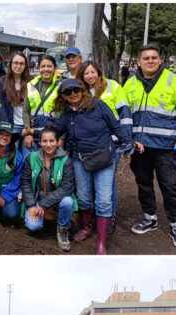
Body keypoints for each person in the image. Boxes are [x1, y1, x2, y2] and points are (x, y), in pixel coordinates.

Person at [122, 44, 176, 249]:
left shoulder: (174, 81)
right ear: (138, 62)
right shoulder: (130, 83)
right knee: (143, 183)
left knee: (169, 185)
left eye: (154, 57)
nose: (150, 61)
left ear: (160, 60)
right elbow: (124, 112)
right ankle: (150, 217)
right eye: (146, 58)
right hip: (140, 146)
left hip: (166, 146)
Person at [53, 77, 131, 254]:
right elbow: (55, 131)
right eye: (68, 92)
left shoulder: (98, 105)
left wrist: (128, 141)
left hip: (104, 159)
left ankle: (101, 241)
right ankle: (87, 228)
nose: (73, 94)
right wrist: (32, 134)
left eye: (75, 90)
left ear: (82, 90)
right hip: (80, 160)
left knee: (103, 200)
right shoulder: (66, 115)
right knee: (83, 198)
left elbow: (115, 125)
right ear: (63, 96)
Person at [77, 61, 132, 235]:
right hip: (90, 145)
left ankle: (110, 216)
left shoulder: (113, 86)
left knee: (107, 183)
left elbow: (125, 113)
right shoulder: (81, 91)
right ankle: (96, 216)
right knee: (92, 182)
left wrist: (126, 140)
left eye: (93, 72)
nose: (90, 76)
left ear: (99, 72)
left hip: (113, 144)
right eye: (86, 73)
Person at [20, 126, 75, 250]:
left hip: (56, 201)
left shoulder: (66, 160)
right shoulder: (32, 158)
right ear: (39, 142)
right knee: (33, 226)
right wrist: (32, 205)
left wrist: (42, 205)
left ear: (57, 142)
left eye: (51, 141)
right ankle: (40, 218)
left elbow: (66, 188)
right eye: (44, 141)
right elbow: (25, 182)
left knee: (68, 202)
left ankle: (62, 229)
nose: (48, 144)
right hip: (36, 200)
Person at [24, 55, 61, 150]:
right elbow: (26, 111)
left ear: (55, 68)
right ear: (38, 67)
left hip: (53, 137)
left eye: (49, 66)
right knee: (30, 162)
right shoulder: (30, 85)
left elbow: (64, 114)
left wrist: (61, 139)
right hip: (33, 135)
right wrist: (28, 134)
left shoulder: (60, 87)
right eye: (43, 66)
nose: (46, 69)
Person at [0, 52, 31, 149]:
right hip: (12, 125)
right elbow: (1, 107)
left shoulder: (31, 82)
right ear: (10, 64)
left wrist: (30, 129)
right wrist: (7, 128)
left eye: (21, 63)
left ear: (25, 66)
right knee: (12, 155)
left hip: (27, 126)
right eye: (15, 63)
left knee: (28, 156)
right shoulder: (2, 82)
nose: (18, 66)